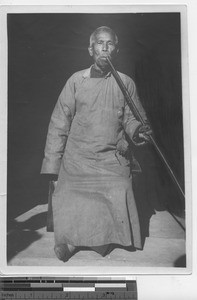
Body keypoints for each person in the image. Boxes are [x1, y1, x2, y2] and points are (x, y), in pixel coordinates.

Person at [41, 26, 152, 262]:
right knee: (69, 189)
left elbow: (133, 119)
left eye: (109, 43)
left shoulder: (125, 82)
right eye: (99, 43)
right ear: (90, 50)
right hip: (77, 159)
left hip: (111, 158)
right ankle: (74, 241)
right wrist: (53, 165)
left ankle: (92, 241)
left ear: (116, 49)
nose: (104, 47)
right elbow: (59, 123)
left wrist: (138, 131)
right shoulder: (76, 81)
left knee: (118, 188)